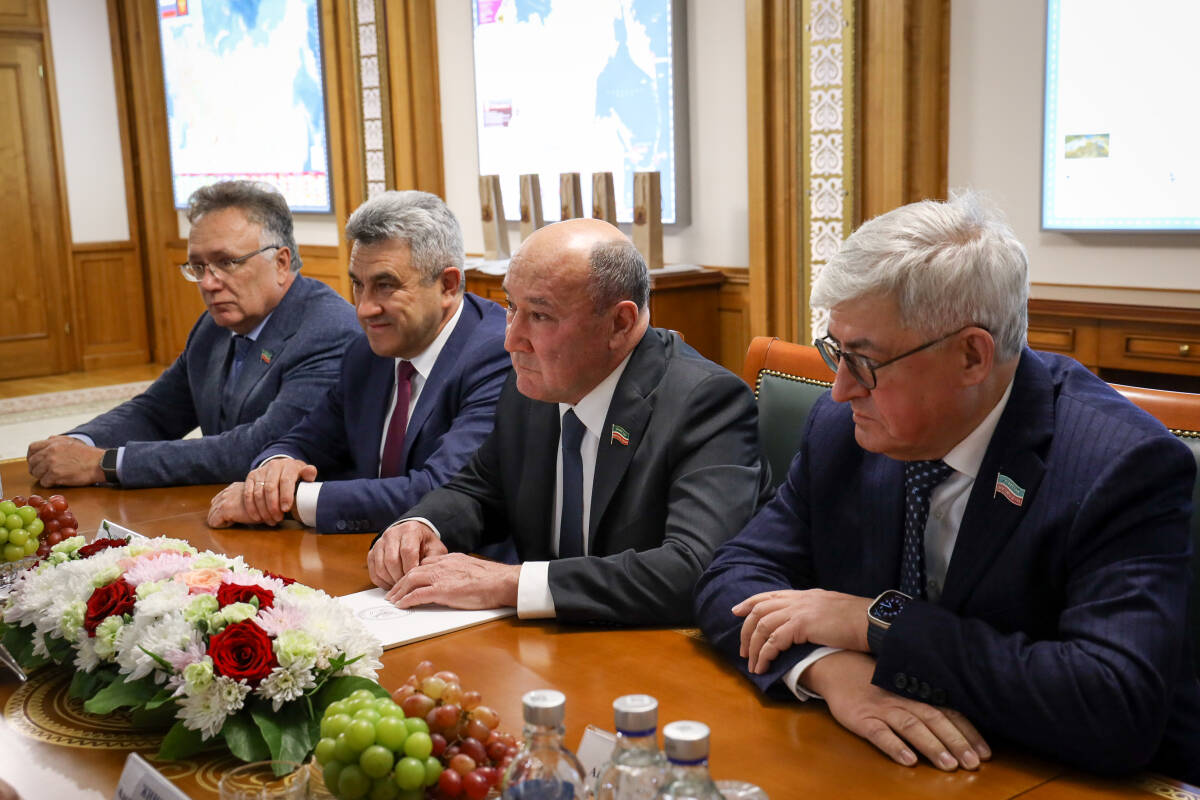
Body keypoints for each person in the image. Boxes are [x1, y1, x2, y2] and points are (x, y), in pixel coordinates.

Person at [694, 193, 1200, 784]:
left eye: (864, 361)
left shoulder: (1118, 465)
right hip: (877, 767)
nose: (840, 389)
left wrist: (877, 624)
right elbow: (731, 578)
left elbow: (1113, 703)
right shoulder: (843, 428)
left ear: (971, 356)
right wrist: (830, 670)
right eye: (835, 351)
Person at [366, 218, 772, 626]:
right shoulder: (535, 386)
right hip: (549, 644)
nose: (512, 339)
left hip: (651, 648)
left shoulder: (705, 403)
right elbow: (479, 490)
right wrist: (423, 525)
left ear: (620, 323)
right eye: (511, 307)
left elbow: (693, 568)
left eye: (540, 315)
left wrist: (512, 583)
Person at [206, 191, 509, 534]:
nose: (364, 309)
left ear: (448, 286)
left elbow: (441, 490)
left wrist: (292, 502)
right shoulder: (366, 351)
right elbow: (306, 439)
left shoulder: (496, 354)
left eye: (385, 285)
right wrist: (277, 468)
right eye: (358, 284)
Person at [26, 181, 360, 488]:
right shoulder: (213, 327)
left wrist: (105, 464)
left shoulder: (327, 331)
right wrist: (76, 444)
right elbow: (156, 412)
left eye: (227, 262)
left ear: (281, 263)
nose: (208, 283)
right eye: (198, 267)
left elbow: (261, 448)